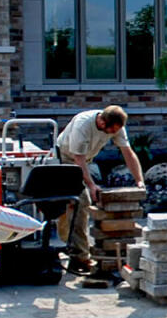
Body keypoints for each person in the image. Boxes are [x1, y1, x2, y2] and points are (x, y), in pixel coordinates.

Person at [55, 105, 145, 271]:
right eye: (110, 130)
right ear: (101, 121)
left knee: (73, 206)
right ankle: (80, 257)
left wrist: (139, 181)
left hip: (84, 161)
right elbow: (78, 159)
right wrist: (91, 185)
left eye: (116, 131)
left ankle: (72, 243)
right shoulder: (83, 125)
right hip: (65, 159)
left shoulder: (115, 125)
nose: (112, 134)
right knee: (82, 201)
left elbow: (127, 152)